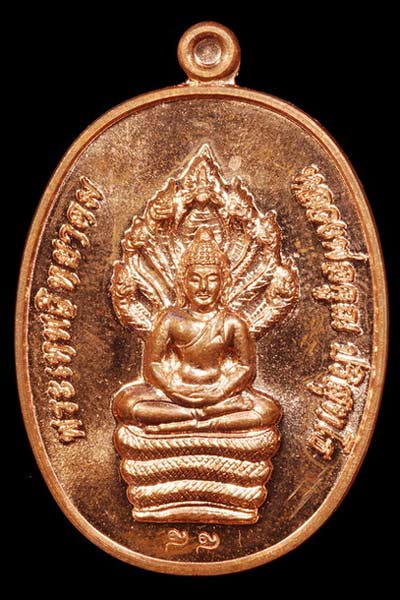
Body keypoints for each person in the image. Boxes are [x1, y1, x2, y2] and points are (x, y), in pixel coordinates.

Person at [113, 227, 280, 433]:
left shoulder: (232, 322)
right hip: (177, 392)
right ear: (183, 283)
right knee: (126, 404)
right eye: (195, 279)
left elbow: (245, 367)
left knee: (268, 410)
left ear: (224, 282)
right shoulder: (171, 319)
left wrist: (221, 391)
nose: (203, 287)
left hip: (219, 391)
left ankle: (198, 422)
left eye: (212, 278)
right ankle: (200, 416)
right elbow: (153, 364)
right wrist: (172, 388)